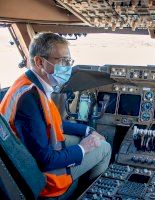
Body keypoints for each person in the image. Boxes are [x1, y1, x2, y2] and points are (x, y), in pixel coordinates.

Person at [0, 33, 111, 198]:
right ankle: (83, 194)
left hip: (31, 156)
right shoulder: (29, 99)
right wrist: (84, 147)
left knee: (94, 139)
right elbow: (47, 160)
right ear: (39, 62)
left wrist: (87, 130)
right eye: (63, 61)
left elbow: (52, 122)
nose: (67, 67)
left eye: (69, 61)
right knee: (105, 148)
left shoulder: (30, 84)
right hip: (42, 179)